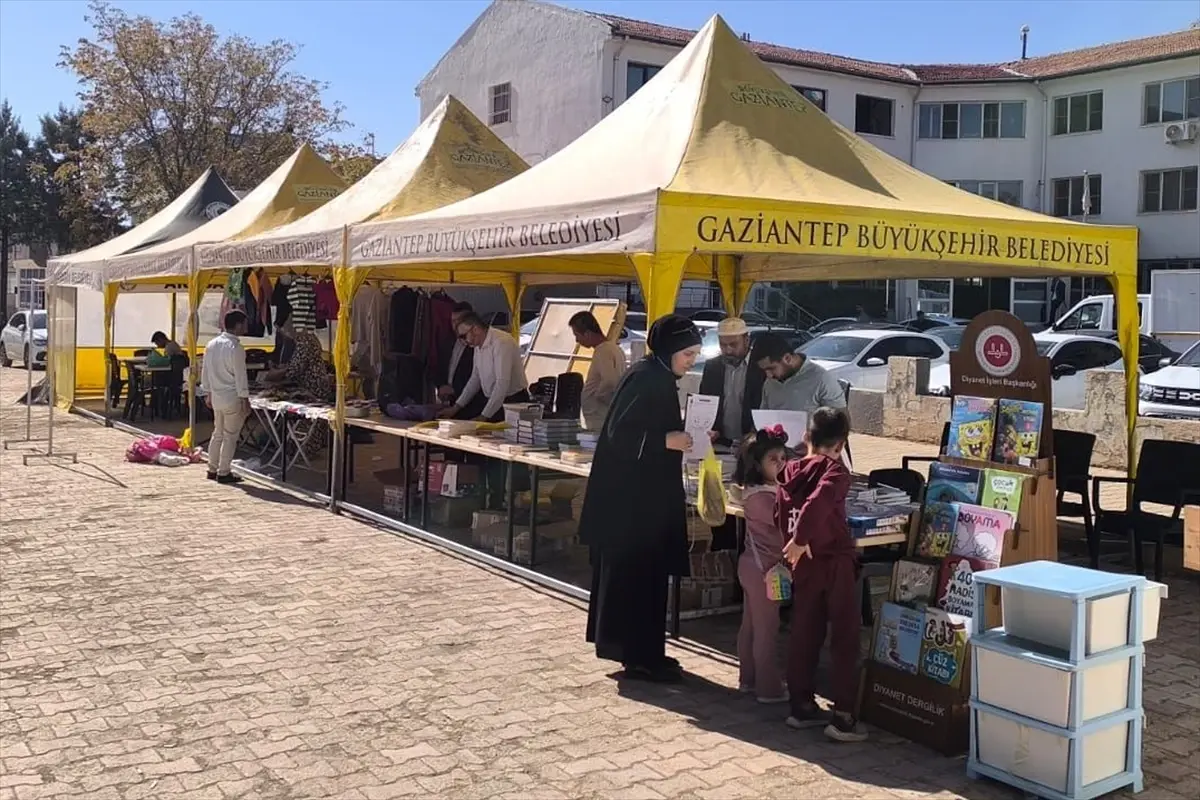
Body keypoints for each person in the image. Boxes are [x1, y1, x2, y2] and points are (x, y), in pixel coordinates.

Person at [579, 314, 701, 682]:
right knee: (634, 581)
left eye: (695, 353)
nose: (692, 360)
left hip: (646, 502)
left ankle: (648, 652)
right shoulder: (645, 379)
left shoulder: (659, 377)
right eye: (688, 353)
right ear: (669, 351)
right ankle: (638, 656)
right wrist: (668, 440)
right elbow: (621, 435)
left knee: (648, 580)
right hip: (631, 508)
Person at [777, 407, 867, 743]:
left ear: (807, 437)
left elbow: (781, 512)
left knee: (804, 631)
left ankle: (800, 705)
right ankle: (843, 715)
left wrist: (794, 544)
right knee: (844, 637)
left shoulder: (789, 470)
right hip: (833, 559)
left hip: (805, 564)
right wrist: (802, 540)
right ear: (841, 443)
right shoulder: (835, 473)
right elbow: (818, 502)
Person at [733, 428, 790, 704]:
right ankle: (768, 687)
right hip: (764, 570)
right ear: (757, 464)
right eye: (773, 459)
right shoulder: (765, 498)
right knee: (767, 628)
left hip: (752, 566)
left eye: (783, 457)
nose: (781, 463)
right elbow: (787, 525)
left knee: (751, 625)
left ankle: (748, 679)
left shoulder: (754, 491)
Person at [438, 312, 529, 422]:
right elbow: (475, 379)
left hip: (514, 402)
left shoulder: (501, 342)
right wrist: (456, 407)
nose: (464, 341)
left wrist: (484, 416)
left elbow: (502, 383)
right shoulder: (478, 345)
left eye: (463, 336)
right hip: (494, 401)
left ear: (475, 329)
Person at [200, 311, 250, 485]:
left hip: (217, 396)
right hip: (231, 396)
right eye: (244, 323)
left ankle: (212, 468)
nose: (246, 327)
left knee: (218, 433)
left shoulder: (211, 344)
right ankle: (223, 471)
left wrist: (208, 392)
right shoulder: (235, 347)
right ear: (237, 325)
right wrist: (245, 398)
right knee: (230, 436)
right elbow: (240, 375)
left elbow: (205, 371)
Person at [699, 317, 765, 446]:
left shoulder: (761, 367)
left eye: (733, 345)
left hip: (752, 443)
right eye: (723, 345)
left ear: (747, 340)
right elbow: (704, 402)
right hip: (719, 441)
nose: (728, 350)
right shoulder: (712, 367)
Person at [752, 333, 847, 414]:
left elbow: (842, 422)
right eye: (764, 370)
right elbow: (765, 418)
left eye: (771, 368)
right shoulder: (769, 383)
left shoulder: (821, 379)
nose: (769, 375)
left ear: (787, 358)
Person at [570, 310, 627, 430]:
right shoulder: (613, 349)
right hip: (603, 415)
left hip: (599, 417)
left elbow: (610, 382)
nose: (577, 341)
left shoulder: (603, 351)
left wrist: (598, 399)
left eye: (577, 335)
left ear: (587, 334)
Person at [263, 313, 334, 403]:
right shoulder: (307, 338)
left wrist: (276, 373)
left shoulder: (305, 342)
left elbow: (295, 369)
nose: (285, 334)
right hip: (314, 386)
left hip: (313, 389)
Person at [437, 302, 476, 406]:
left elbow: (476, 377)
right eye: (453, 321)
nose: (455, 325)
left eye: (459, 321)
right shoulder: (448, 341)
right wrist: (441, 385)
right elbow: (440, 365)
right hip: (450, 400)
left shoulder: (476, 345)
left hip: (471, 401)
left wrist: (455, 390)